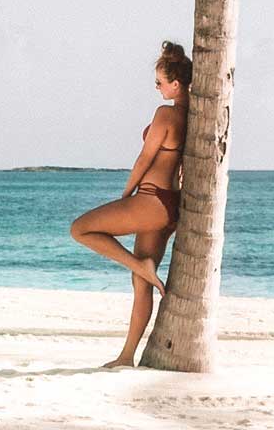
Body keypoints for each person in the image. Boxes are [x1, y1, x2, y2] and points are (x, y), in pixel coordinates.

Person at [69, 41, 192, 368]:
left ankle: (141, 267)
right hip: (170, 208)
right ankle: (127, 356)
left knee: (80, 229)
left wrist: (126, 196)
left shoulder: (165, 114)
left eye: (160, 82)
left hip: (152, 200)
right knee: (141, 287)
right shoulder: (191, 116)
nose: (157, 87)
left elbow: (143, 160)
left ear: (175, 84)